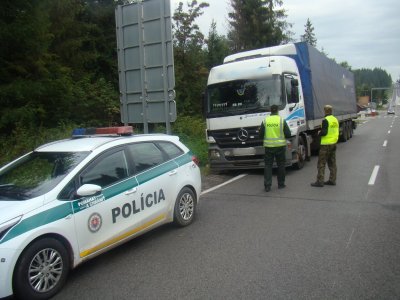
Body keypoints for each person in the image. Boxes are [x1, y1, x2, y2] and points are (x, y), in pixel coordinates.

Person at [259, 104, 291, 192]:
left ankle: (267, 186)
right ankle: (281, 184)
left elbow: (260, 135)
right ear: (277, 111)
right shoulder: (281, 120)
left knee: (268, 166)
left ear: (270, 111)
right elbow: (288, 134)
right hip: (280, 146)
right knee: (281, 165)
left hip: (269, 147)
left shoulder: (265, 121)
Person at [311, 105, 339, 187]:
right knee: (332, 163)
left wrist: (319, 133)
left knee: (321, 163)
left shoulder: (325, 120)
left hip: (326, 145)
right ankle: (332, 180)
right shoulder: (335, 120)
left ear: (325, 111)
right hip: (333, 143)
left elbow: (324, 132)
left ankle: (320, 181)